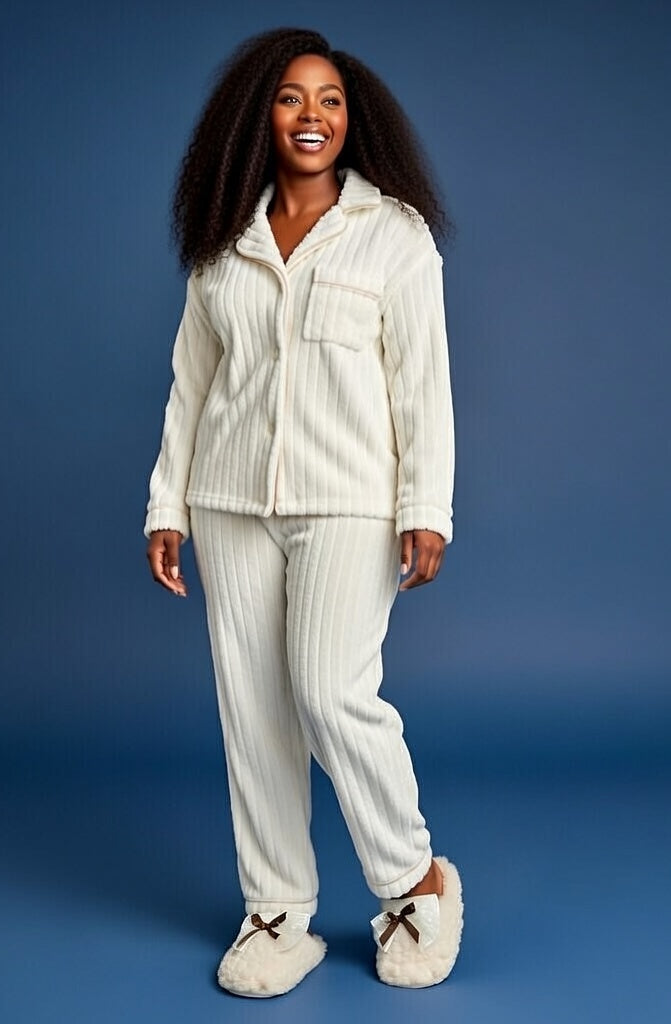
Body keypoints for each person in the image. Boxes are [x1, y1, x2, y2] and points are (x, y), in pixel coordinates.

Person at [144, 27, 461, 997]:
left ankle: (413, 881)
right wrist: (166, 503)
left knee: (329, 691)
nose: (311, 115)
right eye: (291, 98)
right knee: (253, 711)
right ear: (262, 115)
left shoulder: (394, 234)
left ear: (352, 119)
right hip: (229, 499)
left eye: (329, 100)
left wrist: (426, 506)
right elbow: (192, 384)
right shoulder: (222, 239)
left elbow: (422, 383)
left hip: (350, 502)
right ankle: (276, 910)